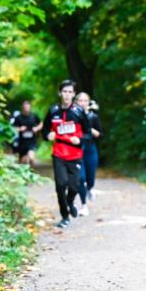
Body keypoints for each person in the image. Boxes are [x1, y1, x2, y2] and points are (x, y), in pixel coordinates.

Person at [42, 80, 92, 229]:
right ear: (60, 93)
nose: (67, 95)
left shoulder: (78, 112)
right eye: (65, 91)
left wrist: (80, 139)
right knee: (60, 185)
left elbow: (89, 134)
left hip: (75, 155)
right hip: (59, 153)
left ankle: (70, 202)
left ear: (74, 94)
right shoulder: (53, 111)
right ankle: (64, 216)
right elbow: (44, 131)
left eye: (70, 92)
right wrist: (48, 135)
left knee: (74, 187)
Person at [74, 92, 102, 215]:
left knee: (90, 177)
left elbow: (101, 134)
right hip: (77, 149)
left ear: (88, 103)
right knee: (81, 178)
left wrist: (92, 131)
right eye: (80, 100)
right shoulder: (72, 116)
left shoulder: (93, 117)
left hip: (90, 148)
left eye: (85, 101)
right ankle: (84, 205)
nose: (82, 103)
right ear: (76, 102)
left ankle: (90, 188)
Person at [9, 100, 42, 168]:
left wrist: (37, 128)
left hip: (32, 141)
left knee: (31, 157)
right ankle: (22, 174)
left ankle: (32, 172)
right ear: (22, 108)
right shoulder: (18, 117)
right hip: (22, 142)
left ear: (30, 108)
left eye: (28, 107)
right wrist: (20, 129)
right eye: (25, 107)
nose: (27, 109)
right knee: (22, 161)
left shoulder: (33, 116)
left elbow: (41, 123)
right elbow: (12, 128)